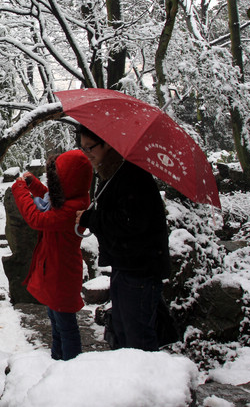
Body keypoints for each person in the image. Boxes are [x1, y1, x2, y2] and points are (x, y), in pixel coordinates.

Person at [75, 125, 170, 351]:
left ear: (107, 143)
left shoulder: (131, 175)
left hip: (140, 270)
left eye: (90, 147)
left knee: (137, 338)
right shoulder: (113, 172)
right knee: (124, 331)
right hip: (125, 266)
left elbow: (130, 222)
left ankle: (146, 383)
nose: (86, 153)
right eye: (82, 148)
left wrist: (91, 218)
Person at [11, 149, 93, 360]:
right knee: (56, 322)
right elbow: (51, 198)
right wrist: (34, 184)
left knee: (65, 327)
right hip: (55, 271)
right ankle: (57, 362)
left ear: (67, 180)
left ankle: (71, 367)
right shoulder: (72, 198)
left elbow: (37, 218)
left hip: (62, 274)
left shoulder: (72, 209)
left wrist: (20, 190)